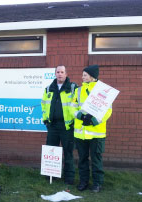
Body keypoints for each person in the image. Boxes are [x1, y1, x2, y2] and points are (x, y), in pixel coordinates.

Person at [72, 64, 112, 193]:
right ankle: (83, 182)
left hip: (96, 133)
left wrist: (94, 120)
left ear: (92, 77)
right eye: (82, 75)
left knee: (96, 160)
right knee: (82, 159)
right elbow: (72, 106)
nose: (82, 77)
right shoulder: (78, 90)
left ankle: (97, 184)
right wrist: (79, 115)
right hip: (81, 133)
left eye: (85, 75)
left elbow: (107, 111)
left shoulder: (104, 91)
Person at [41, 65, 78, 185]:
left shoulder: (73, 88)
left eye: (62, 72)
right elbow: (44, 106)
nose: (60, 74)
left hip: (67, 126)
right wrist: (46, 120)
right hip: (53, 126)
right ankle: (52, 175)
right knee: (51, 151)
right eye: (58, 72)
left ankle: (69, 178)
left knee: (68, 152)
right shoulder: (49, 89)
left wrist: (74, 122)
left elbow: (77, 106)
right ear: (55, 74)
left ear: (66, 74)